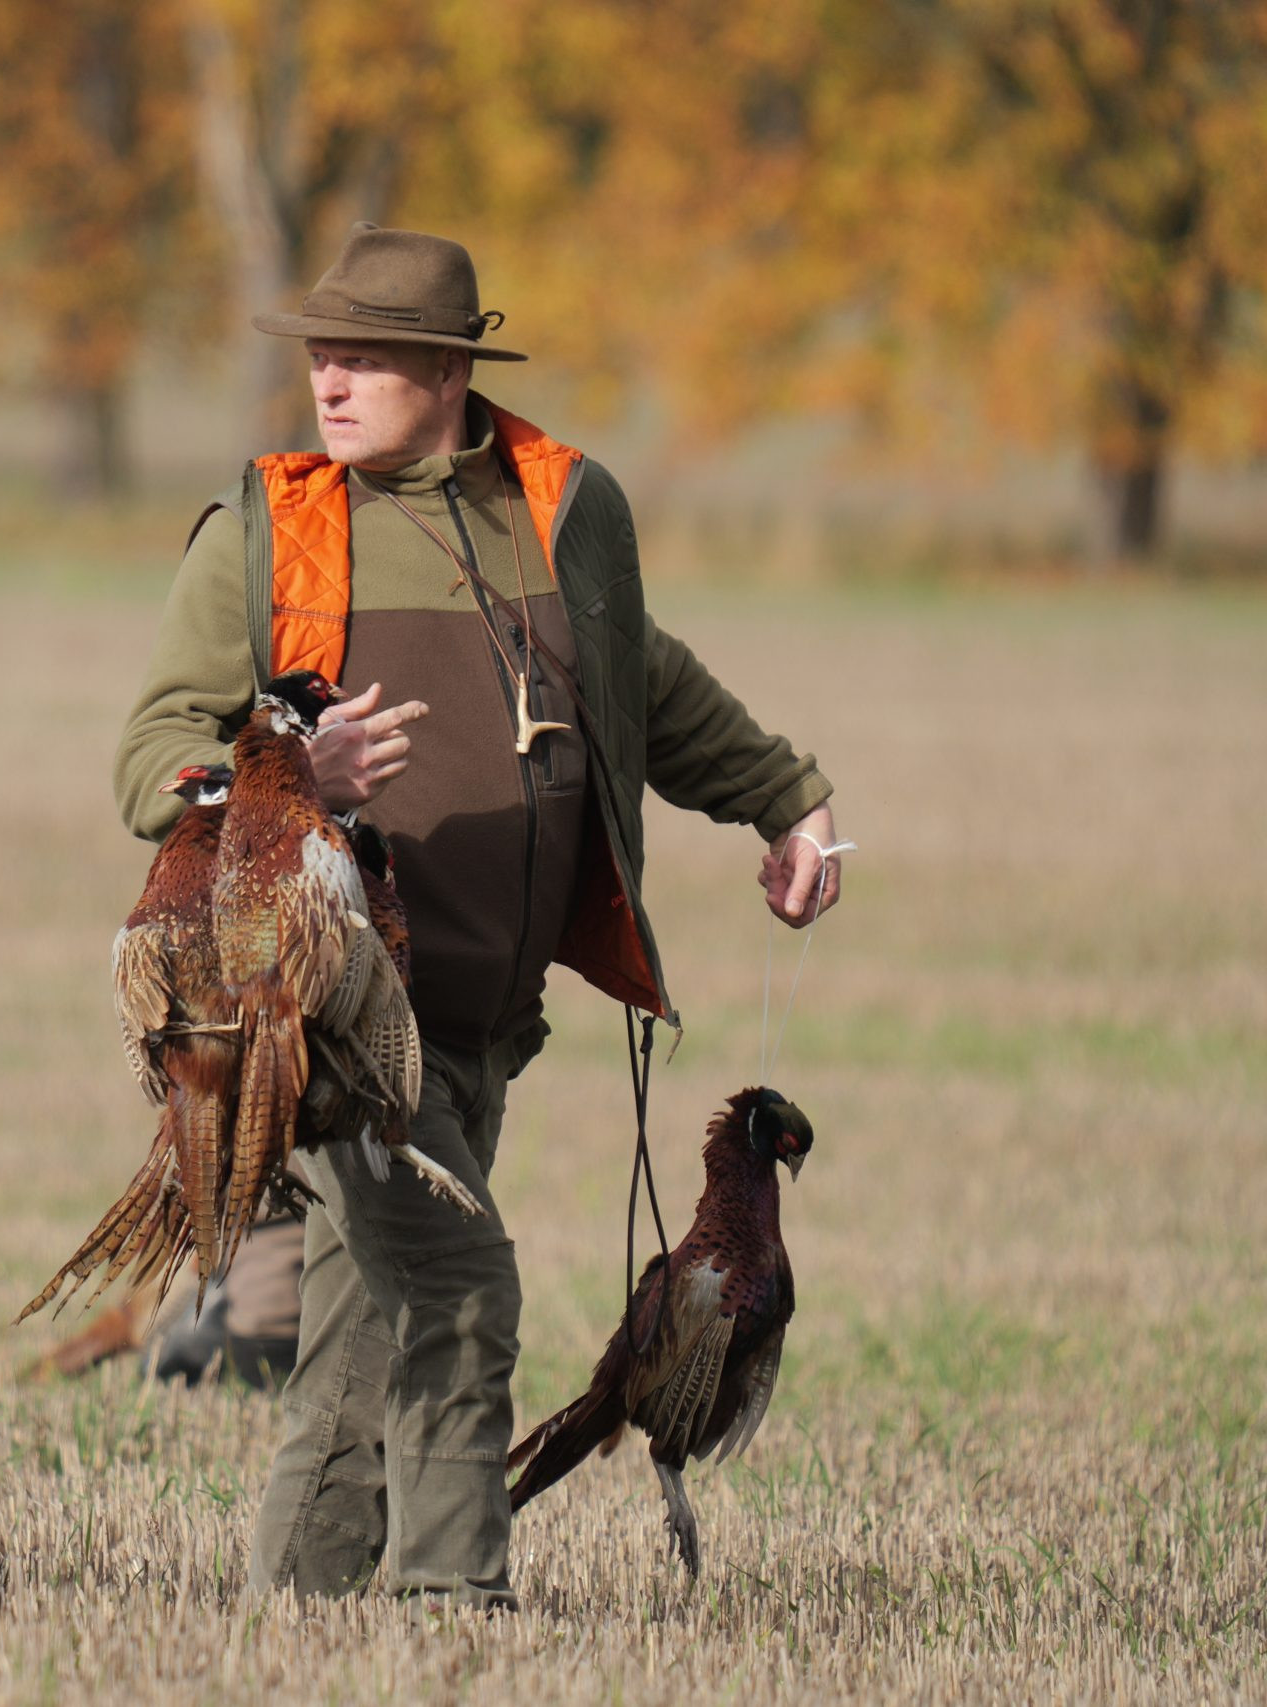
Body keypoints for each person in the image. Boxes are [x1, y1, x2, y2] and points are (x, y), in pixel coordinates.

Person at [114, 224, 847, 1609]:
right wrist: (285, 777)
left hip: (485, 1029)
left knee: (354, 1353)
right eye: (318, 354)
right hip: (328, 1032)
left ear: (449, 369)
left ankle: (297, 1626)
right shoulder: (271, 529)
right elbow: (150, 752)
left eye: (364, 355)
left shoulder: (557, 510)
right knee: (461, 1292)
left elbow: (649, 685)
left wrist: (787, 803)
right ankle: (454, 1612)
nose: (327, 380)